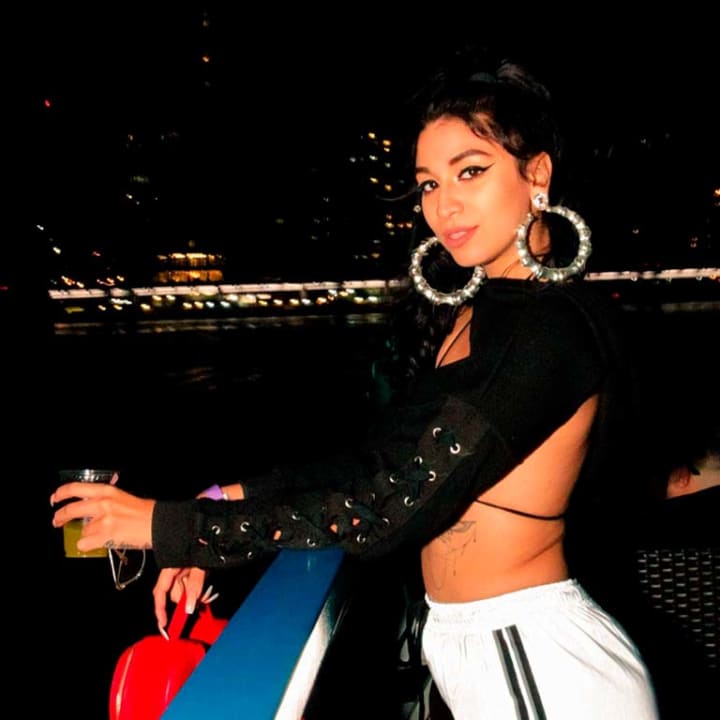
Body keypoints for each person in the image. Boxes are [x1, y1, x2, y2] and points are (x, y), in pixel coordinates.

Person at [51, 49, 660, 718]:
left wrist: (173, 527)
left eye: (471, 171)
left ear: (536, 173)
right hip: (487, 648)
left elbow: (385, 508)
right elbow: (372, 463)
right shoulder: (485, 313)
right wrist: (222, 497)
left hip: (533, 662)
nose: (444, 204)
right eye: (427, 184)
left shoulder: (549, 328)